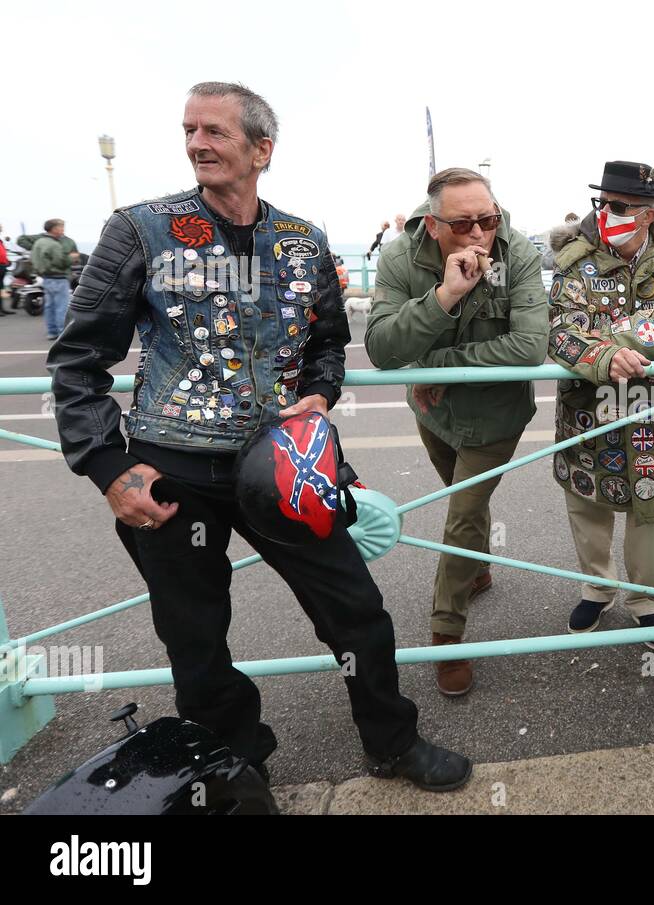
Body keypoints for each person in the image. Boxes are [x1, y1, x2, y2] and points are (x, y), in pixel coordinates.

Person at [46, 81, 470, 792]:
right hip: (168, 473)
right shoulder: (140, 227)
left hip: (281, 466)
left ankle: (392, 740)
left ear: (261, 149)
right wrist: (107, 465)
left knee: (358, 613)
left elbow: (330, 343)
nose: (197, 144)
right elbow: (78, 356)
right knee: (196, 641)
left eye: (214, 131)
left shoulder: (304, 240)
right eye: (189, 130)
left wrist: (320, 391)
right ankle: (235, 767)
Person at [365, 167, 547, 696]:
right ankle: (476, 572)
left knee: (462, 512)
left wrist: (440, 362)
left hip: (495, 414)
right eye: (463, 223)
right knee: (463, 499)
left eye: (487, 220)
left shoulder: (520, 255)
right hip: (433, 412)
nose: (478, 234)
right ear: (432, 222)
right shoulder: (401, 256)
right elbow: (380, 348)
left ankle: (448, 636)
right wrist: (443, 296)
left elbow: (530, 347)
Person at [547, 160, 654, 643]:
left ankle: (645, 598)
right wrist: (603, 356)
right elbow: (559, 330)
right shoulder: (575, 260)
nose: (606, 213)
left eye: (619, 207)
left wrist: (618, 341)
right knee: (586, 506)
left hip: (652, 407)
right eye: (603, 203)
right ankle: (597, 591)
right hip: (586, 410)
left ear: (647, 214)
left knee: (648, 507)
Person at [31, 219, 79, 339]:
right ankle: (62, 333)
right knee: (61, 306)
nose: (63, 230)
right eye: (61, 227)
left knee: (49, 306)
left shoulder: (39, 242)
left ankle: (52, 331)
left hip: (46, 278)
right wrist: (71, 257)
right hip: (59, 278)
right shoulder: (54, 244)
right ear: (54, 229)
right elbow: (61, 262)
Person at [0, 226, 9, 317]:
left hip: (2, 265)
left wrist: (7, 261)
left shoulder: (0, 241)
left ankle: (2, 309)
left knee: (1, 288)